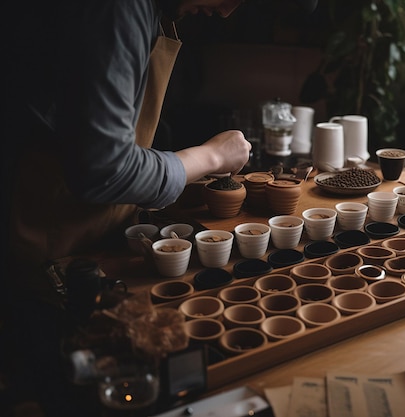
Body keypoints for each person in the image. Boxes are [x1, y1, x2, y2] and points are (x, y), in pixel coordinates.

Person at [1, 1, 252, 415]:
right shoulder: (117, 9)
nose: (227, 12)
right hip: (40, 245)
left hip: (92, 233)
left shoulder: (154, 13)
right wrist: (210, 158)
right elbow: (106, 168)